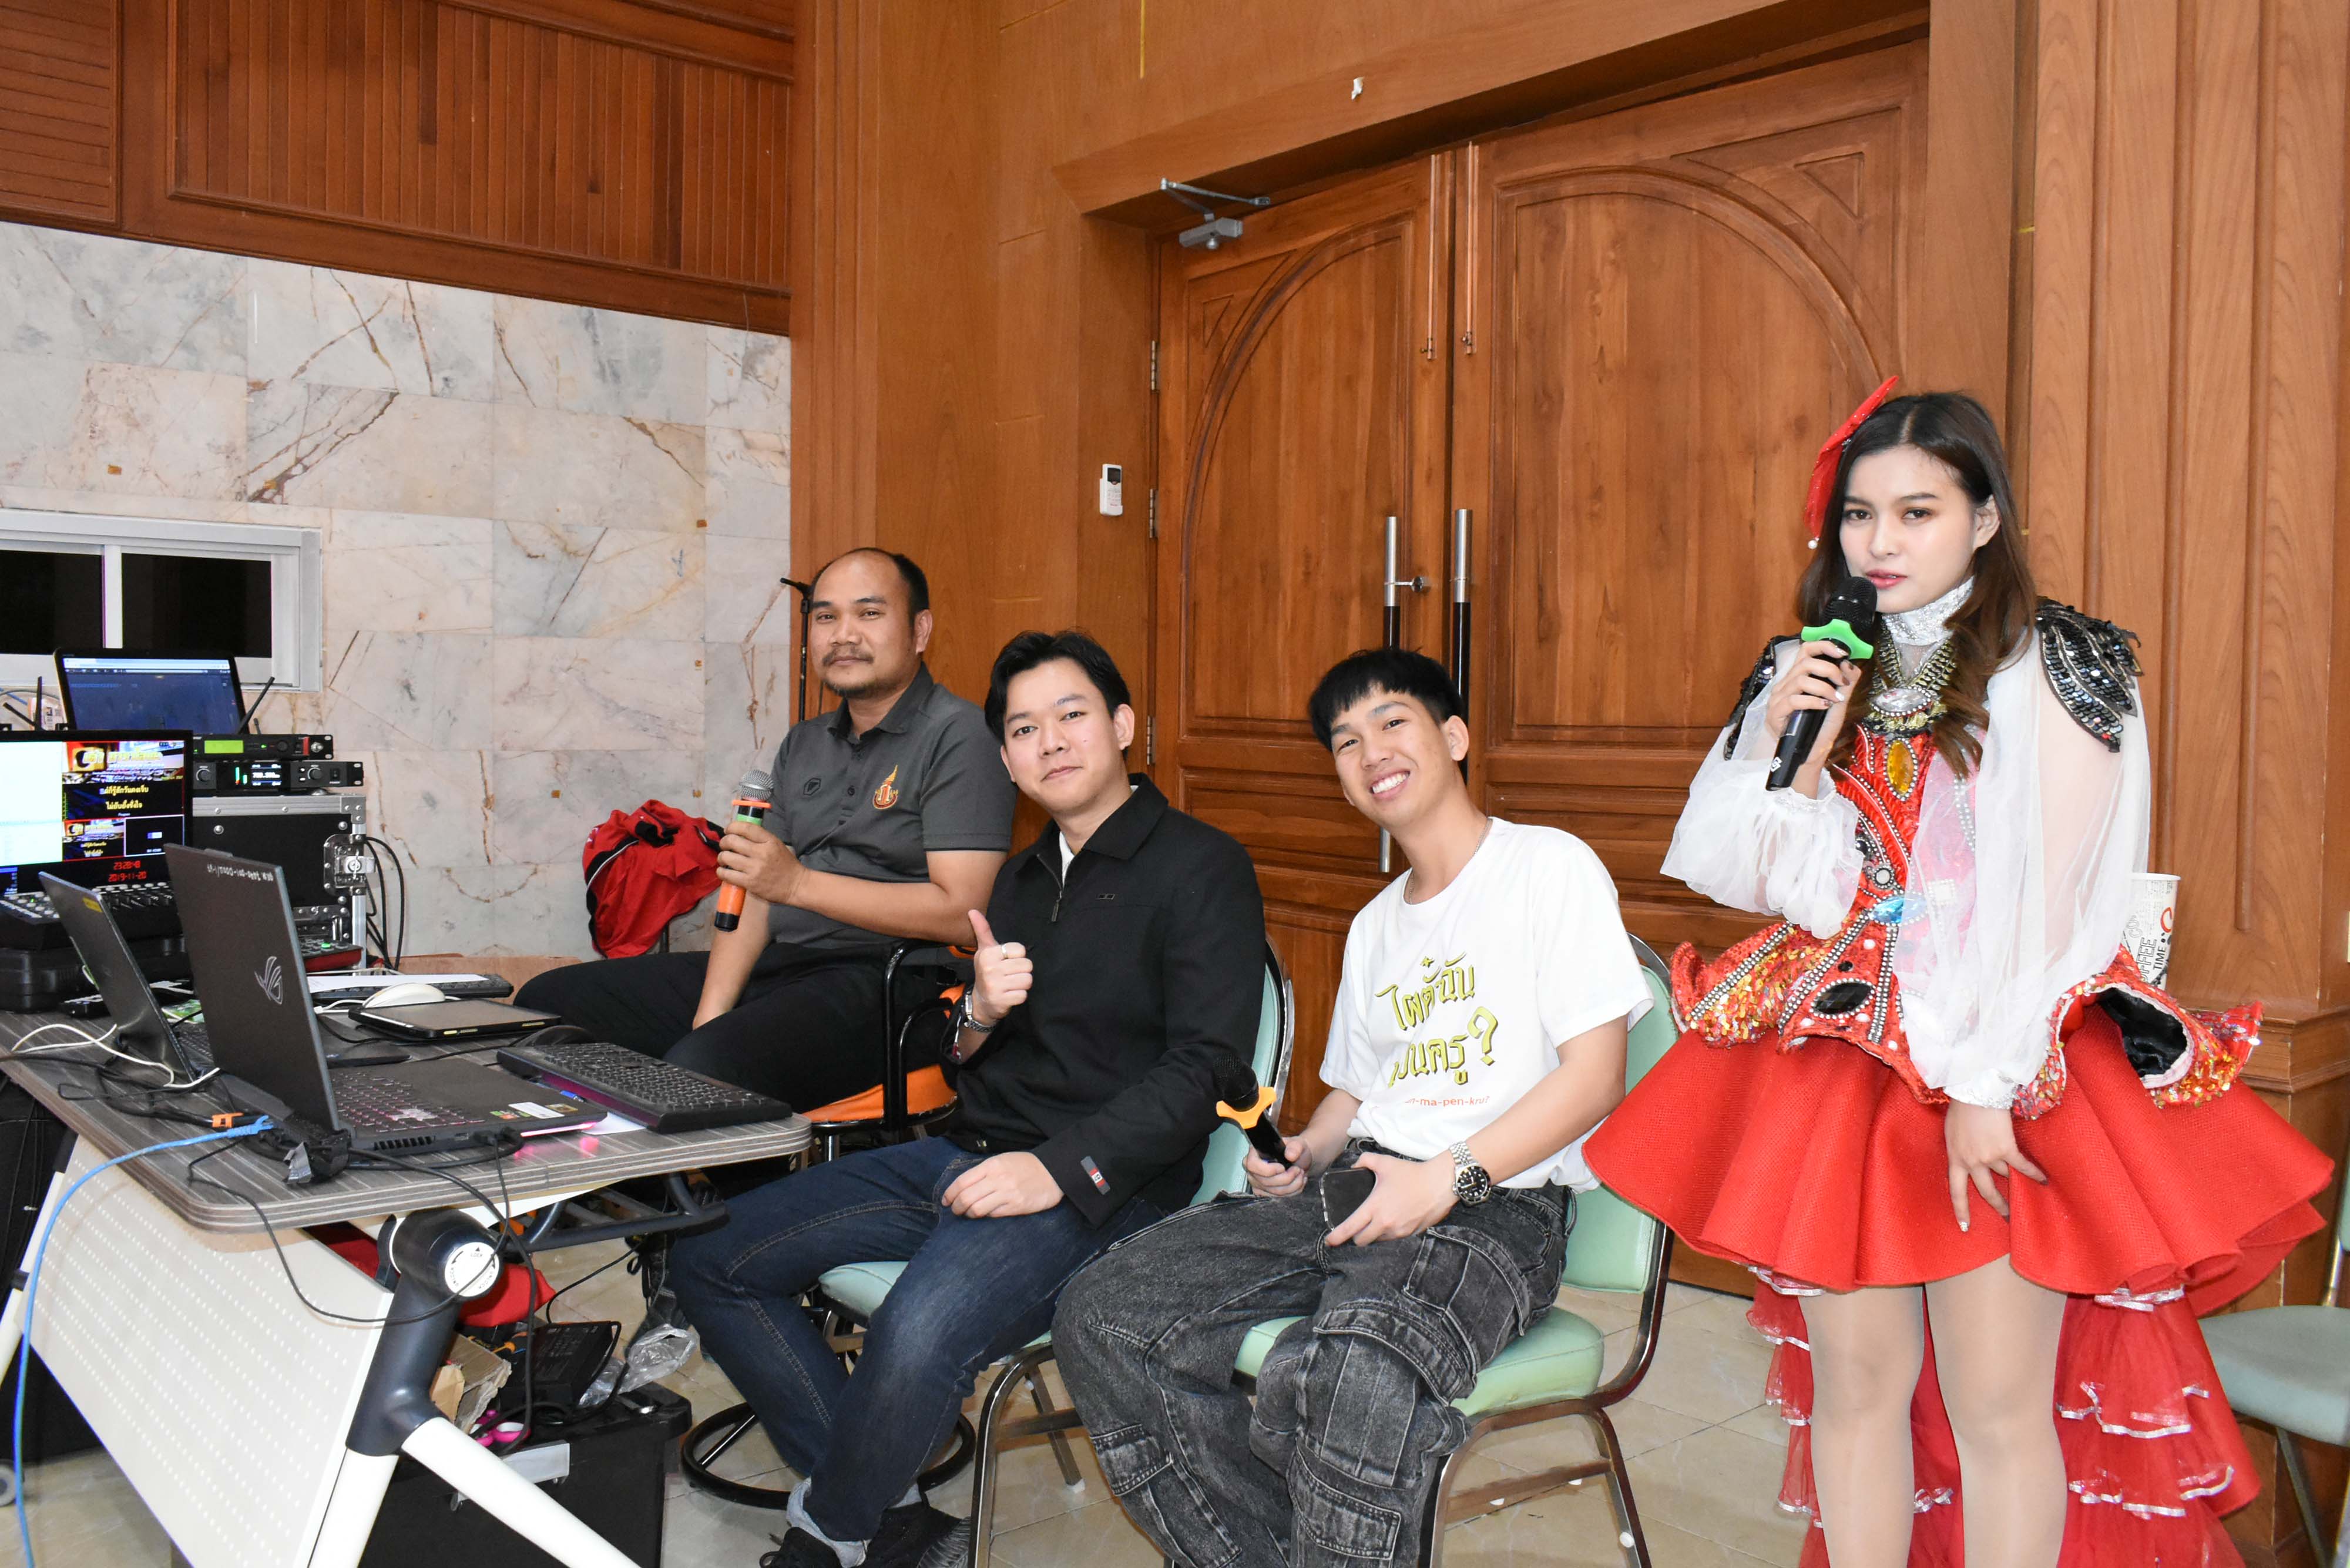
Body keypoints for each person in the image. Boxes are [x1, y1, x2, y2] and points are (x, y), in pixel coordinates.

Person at [1582, 385, 2334, 1566]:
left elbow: (2063, 900)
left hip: (2009, 1055)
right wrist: (1790, 747)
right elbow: (1761, 878)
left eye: (1916, 510)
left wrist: (1988, 1083)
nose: (1879, 542)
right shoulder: (1809, 662)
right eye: (1859, 515)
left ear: (1984, 518)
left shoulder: (2059, 659)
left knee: (1995, 1405)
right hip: (1845, 1063)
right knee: (1855, 1389)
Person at [667, 629, 1267, 1568]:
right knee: (711, 1254)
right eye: (1024, 729)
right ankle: (887, 1512)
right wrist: (979, 1014)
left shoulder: (1202, 867)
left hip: (1107, 1188)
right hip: (973, 1154)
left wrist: (1056, 1169)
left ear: (1122, 726)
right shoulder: (1020, 881)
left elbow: (1207, 1069)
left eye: (1071, 715)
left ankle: (827, 1538)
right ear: (1008, 760)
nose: (1050, 741)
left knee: (916, 1329)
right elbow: (964, 1058)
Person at [1053, 647, 1651, 1568]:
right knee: (1104, 1312)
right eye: (1345, 741)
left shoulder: (1548, 866)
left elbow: (1596, 1076)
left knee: (1354, 1371)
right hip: (1361, 1188)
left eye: (1392, 722)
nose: (1370, 752)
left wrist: (1446, 1177)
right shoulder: (1376, 924)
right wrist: (1306, 1147)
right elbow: (1357, 1091)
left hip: (1495, 1207)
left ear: (1455, 736)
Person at [518, 548, 1015, 1108]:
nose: (843, 634)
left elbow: (962, 911)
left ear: (920, 630)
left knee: (704, 1071)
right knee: (546, 1004)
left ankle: (703, 1159)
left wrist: (797, 884)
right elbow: (754, 888)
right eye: (826, 617)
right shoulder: (804, 742)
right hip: (784, 965)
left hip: (892, 983)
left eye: (869, 613)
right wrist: (709, 1013)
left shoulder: (962, 736)